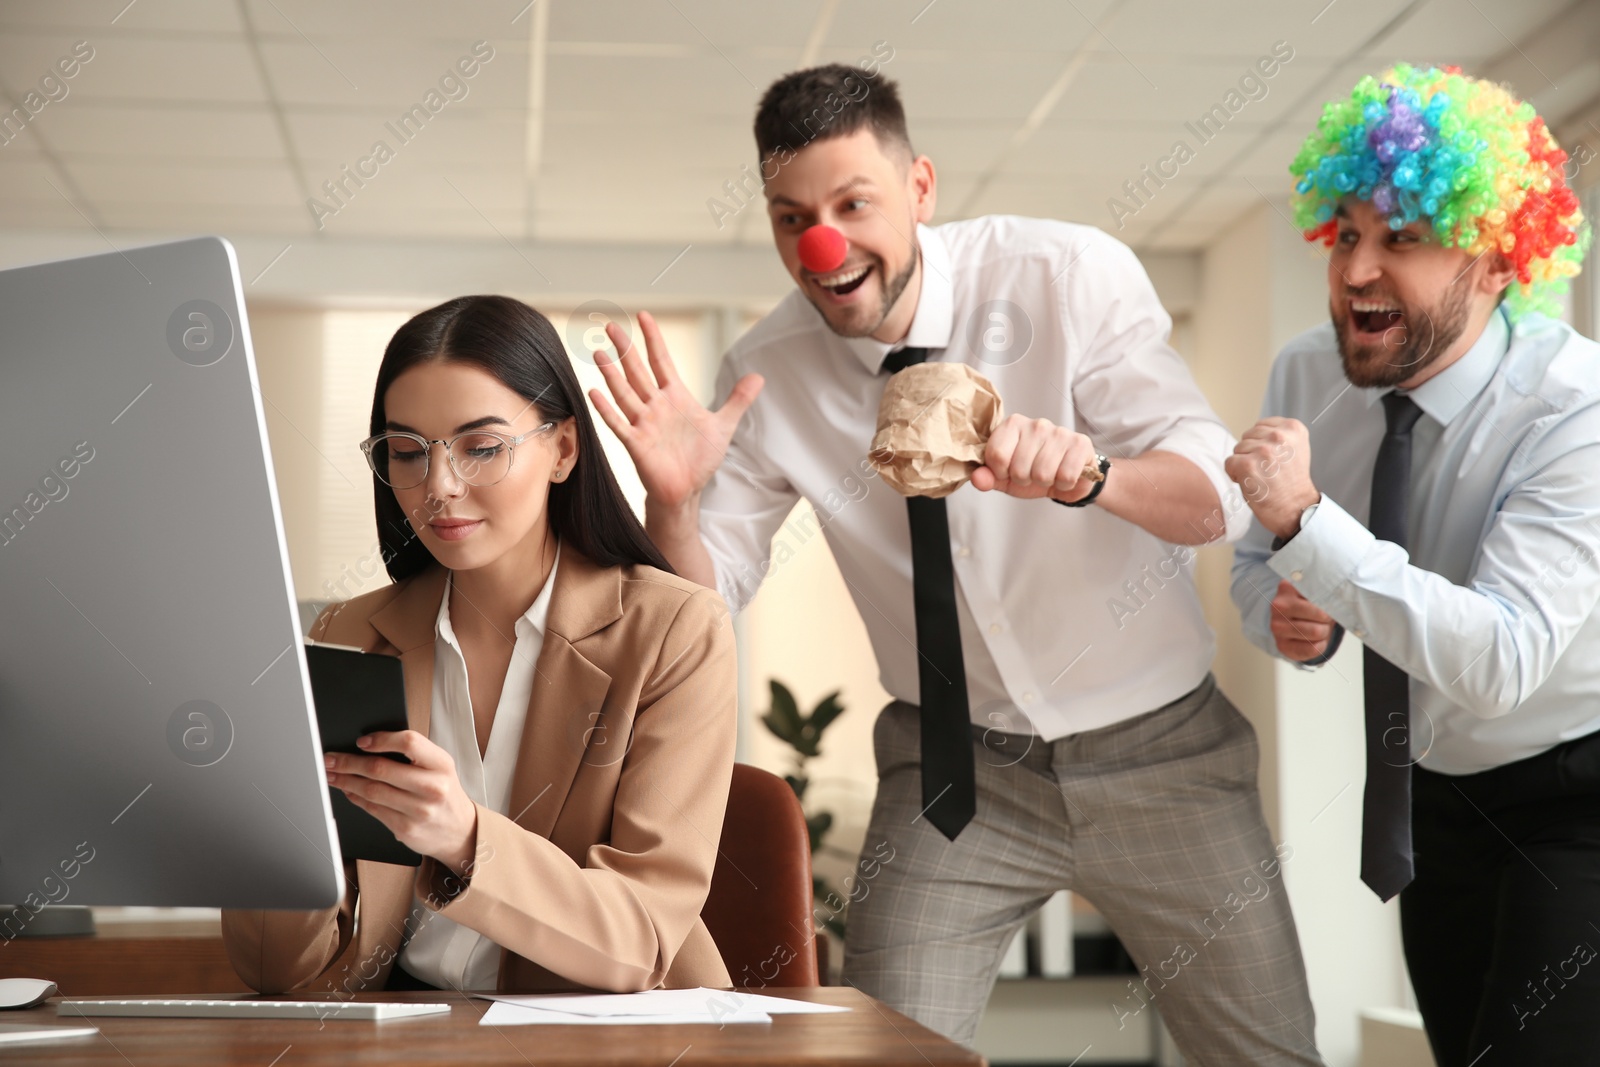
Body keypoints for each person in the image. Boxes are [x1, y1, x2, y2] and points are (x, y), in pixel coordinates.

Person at [591, 64, 1323, 1063]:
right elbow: (701, 608)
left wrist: (1089, 474)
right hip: (950, 770)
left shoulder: (1063, 274)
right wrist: (670, 502)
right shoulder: (768, 371)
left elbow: (1215, 493)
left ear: (920, 188)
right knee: (887, 1054)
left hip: (1164, 754)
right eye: (791, 214)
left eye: (854, 203)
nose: (824, 243)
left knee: (1268, 1055)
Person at [1226, 65, 1595, 1066]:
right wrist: (1282, 615)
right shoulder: (1309, 371)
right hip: (1434, 793)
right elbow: (1260, 564)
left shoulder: (1575, 411)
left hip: (1577, 792)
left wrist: (1311, 523)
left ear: (1489, 260)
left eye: (1402, 238)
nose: (1353, 271)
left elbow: (1502, 658)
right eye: (1344, 233)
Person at [221, 295, 737, 996]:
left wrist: (464, 836)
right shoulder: (345, 635)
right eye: (406, 452)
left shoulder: (676, 631)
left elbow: (639, 939)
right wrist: (277, 823)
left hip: (602, 1038)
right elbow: (274, 973)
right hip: (402, 1032)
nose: (438, 487)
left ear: (563, 448)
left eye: (482, 447)